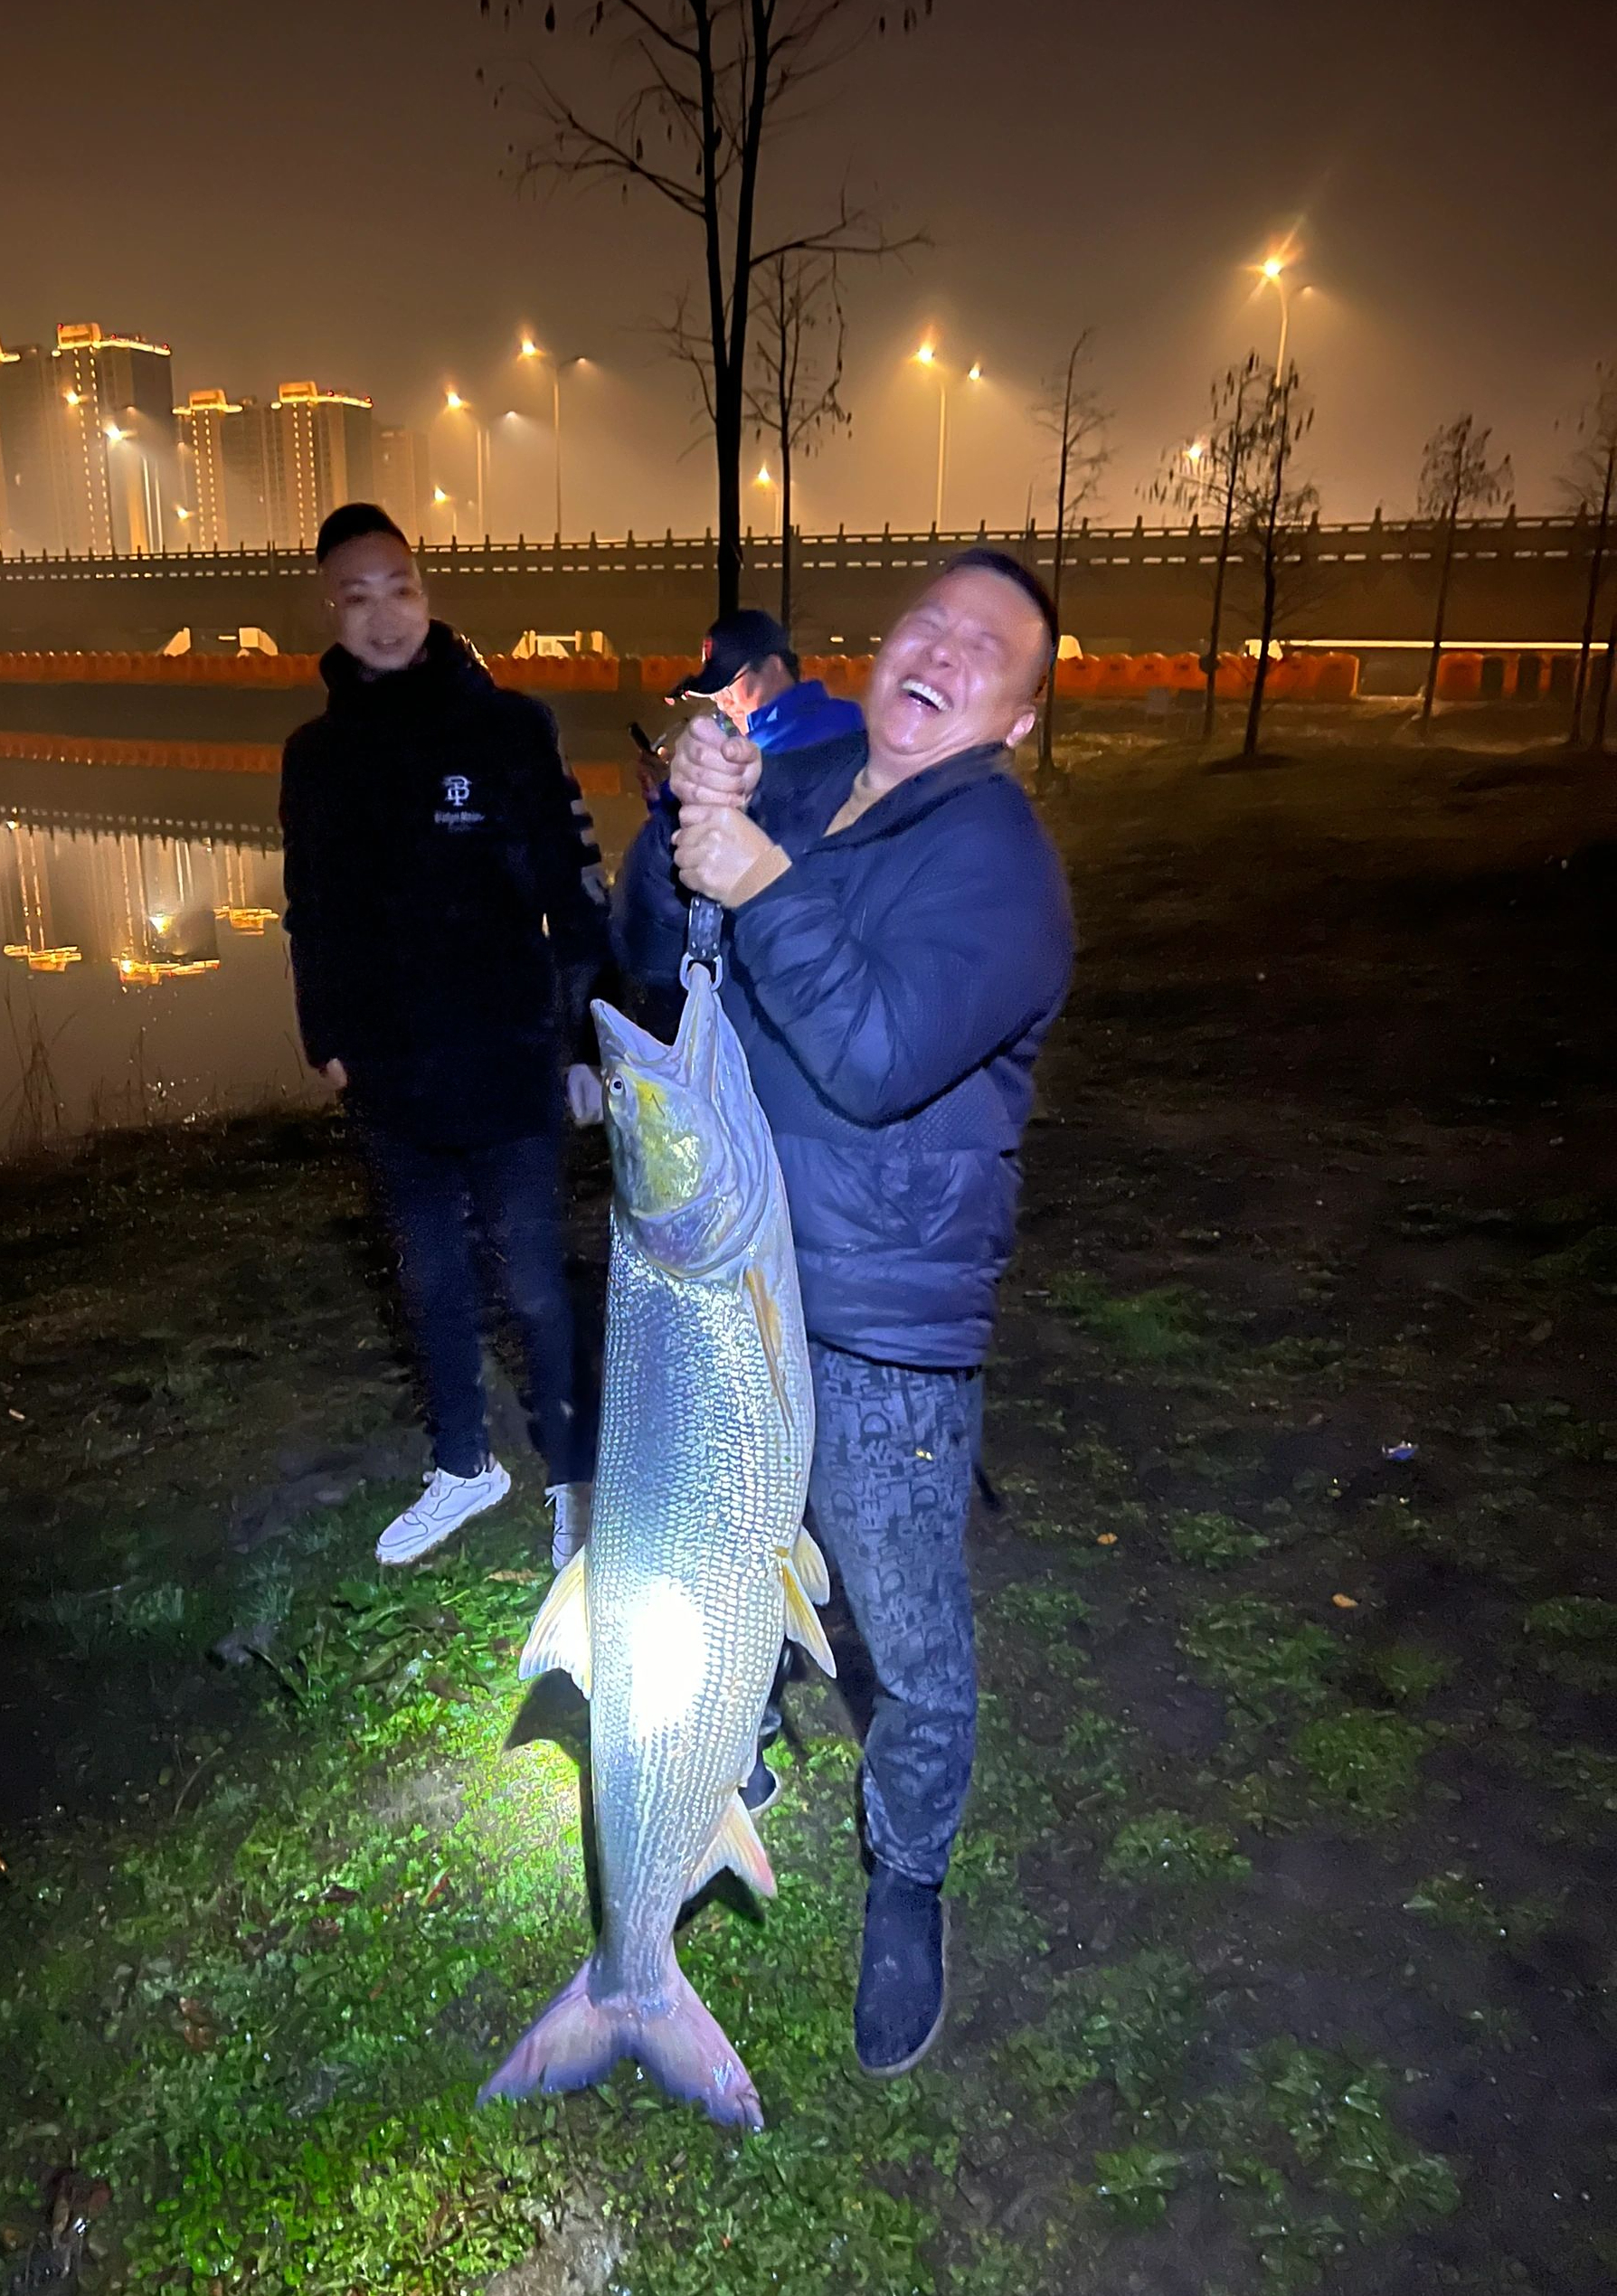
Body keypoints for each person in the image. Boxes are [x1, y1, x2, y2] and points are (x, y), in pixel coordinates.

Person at [621, 547, 1073, 2079]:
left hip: (879, 1329)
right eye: (925, 621)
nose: (941, 648)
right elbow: (665, 954)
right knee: (726, 1553)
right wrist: (691, 812)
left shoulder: (1004, 867)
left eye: (987, 645)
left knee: (907, 1633)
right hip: (738, 1282)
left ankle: (912, 1871)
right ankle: (717, 1755)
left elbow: (877, 1052)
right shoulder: (812, 789)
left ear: (1018, 716)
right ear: (878, 653)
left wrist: (760, 880)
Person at [279, 503, 611, 1570]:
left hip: (509, 1051)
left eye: (401, 589)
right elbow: (311, 908)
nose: (383, 616)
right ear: (332, 607)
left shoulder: (511, 728)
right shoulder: (317, 755)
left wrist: (579, 1043)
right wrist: (324, 1034)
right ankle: (465, 1466)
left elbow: (572, 894)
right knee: (430, 1278)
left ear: (427, 592)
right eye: (357, 596)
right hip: (390, 1069)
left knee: (527, 1280)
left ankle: (575, 1483)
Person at [614, 610, 863, 1039]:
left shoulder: (806, 735)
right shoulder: (824, 725)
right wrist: (666, 797)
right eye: (716, 687)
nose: (723, 697)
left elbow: (752, 808)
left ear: (775, 665)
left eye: (733, 680)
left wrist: (678, 797)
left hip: (800, 953)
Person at [673, 607, 865, 753]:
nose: (724, 704)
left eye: (728, 687)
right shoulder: (847, 716)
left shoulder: (774, 747)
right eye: (717, 694)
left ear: (773, 667)